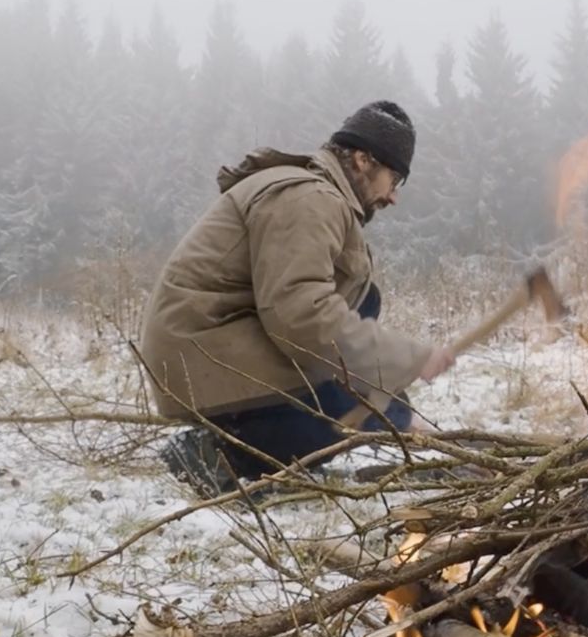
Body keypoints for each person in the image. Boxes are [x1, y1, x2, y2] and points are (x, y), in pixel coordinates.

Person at [137, 100, 454, 497]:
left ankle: (252, 434)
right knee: (361, 414)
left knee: (364, 310)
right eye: (395, 179)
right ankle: (219, 452)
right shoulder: (308, 199)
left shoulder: (318, 197)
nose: (393, 197)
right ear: (363, 160)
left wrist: (385, 395)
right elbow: (301, 315)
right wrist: (405, 364)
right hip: (202, 351)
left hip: (213, 349)